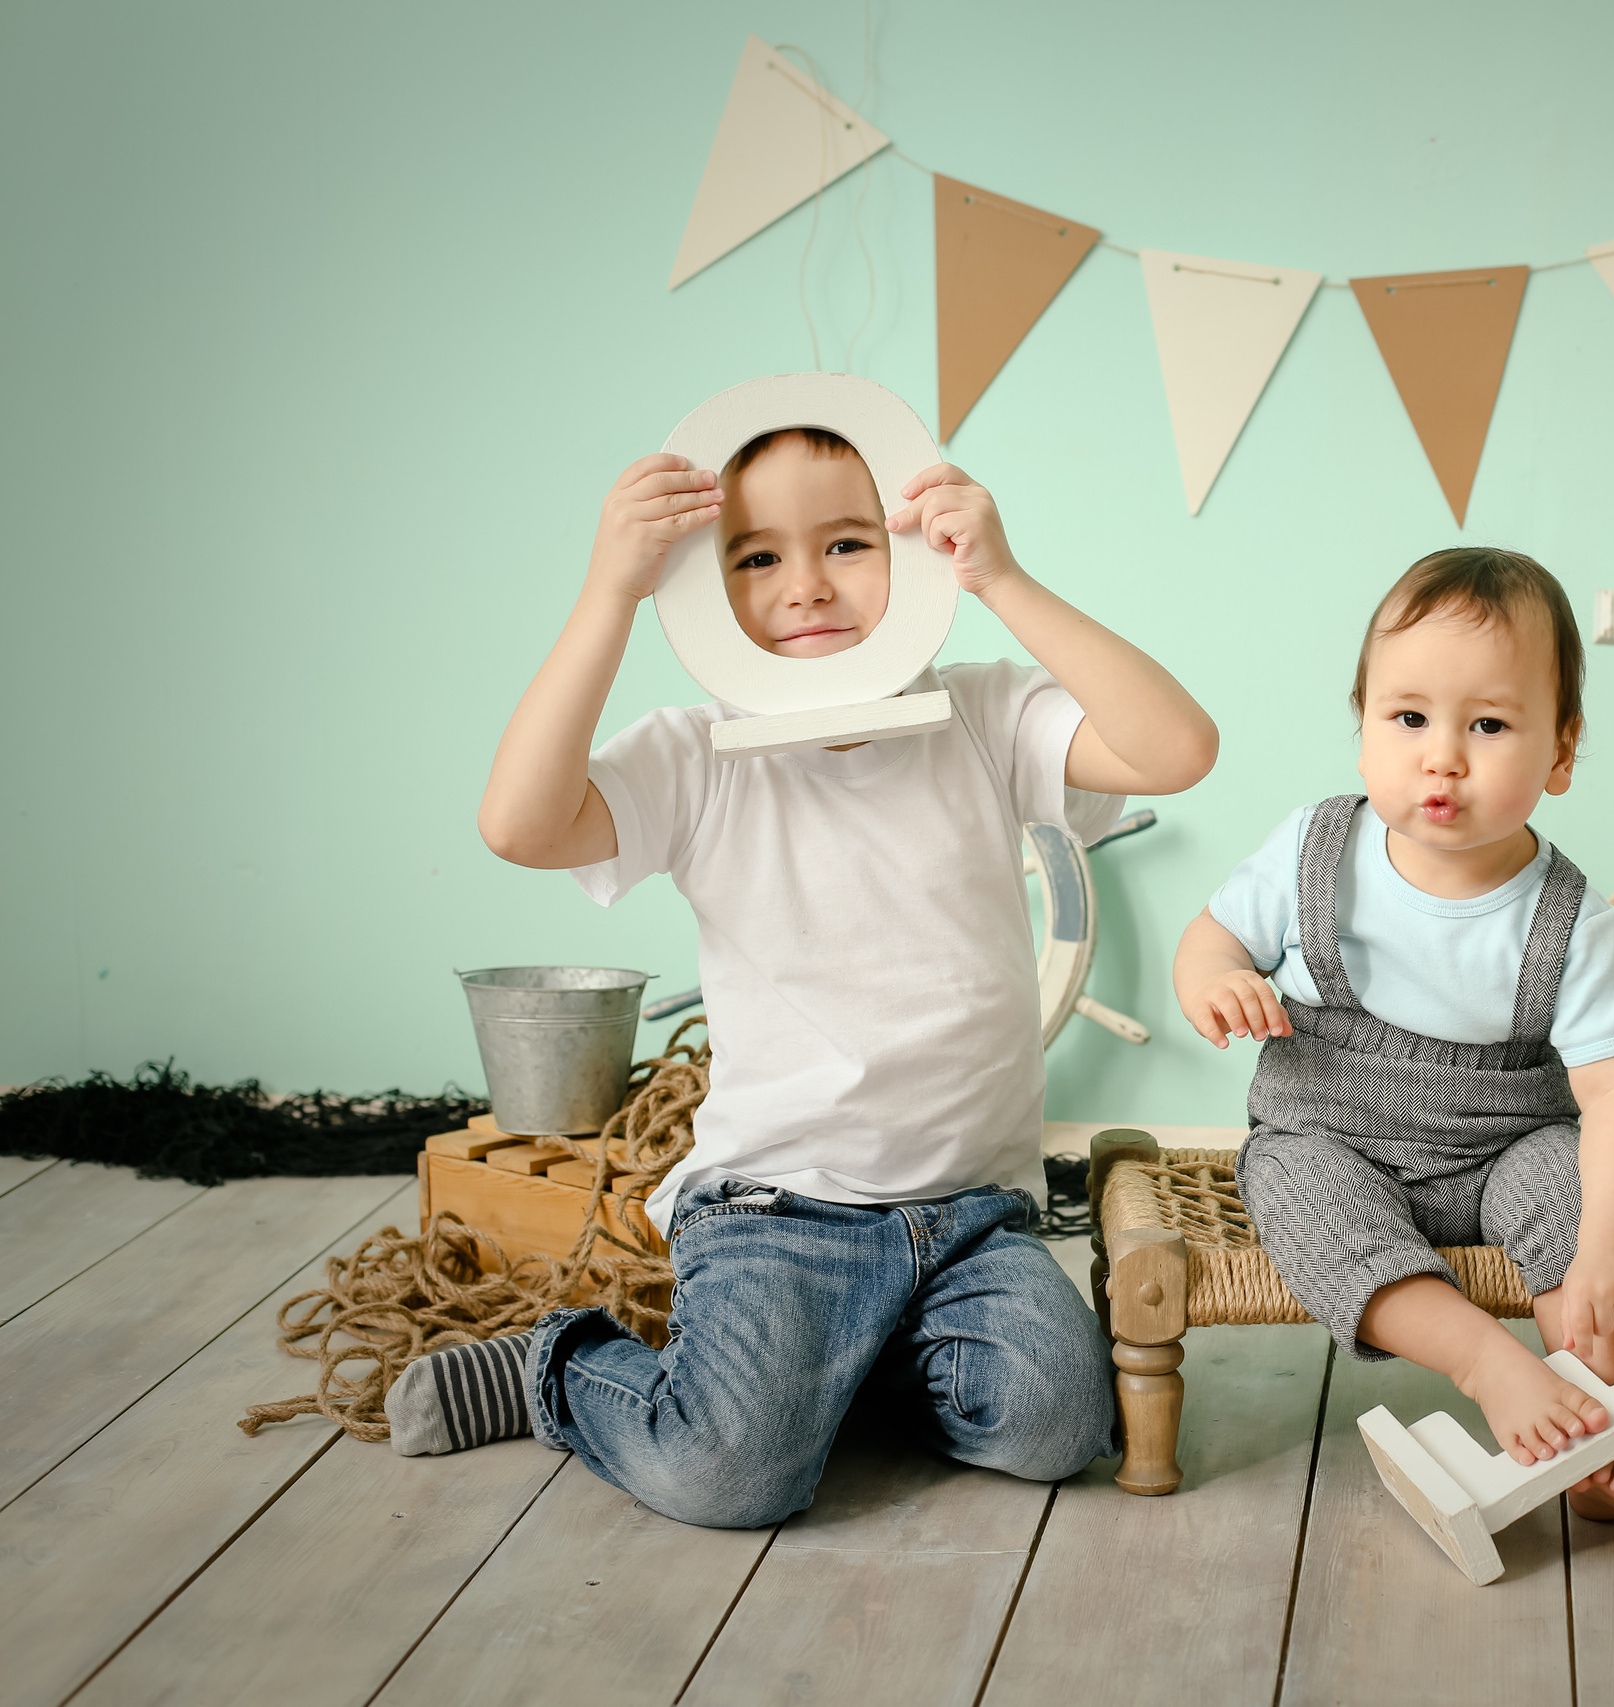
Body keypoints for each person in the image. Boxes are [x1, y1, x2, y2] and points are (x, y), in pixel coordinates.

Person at [387, 423, 1217, 1529]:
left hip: (970, 1213)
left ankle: (819, 1385)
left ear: (913, 552)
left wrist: (1004, 578)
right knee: (725, 1477)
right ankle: (557, 1366)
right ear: (701, 590)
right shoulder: (693, 754)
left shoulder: (983, 712)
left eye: (849, 543)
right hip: (774, 1209)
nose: (808, 587)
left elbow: (1178, 750)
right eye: (756, 557)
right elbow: (521, 825)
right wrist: (608, 595)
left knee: (1056, 1426)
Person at [1174, 547, 1614, 1520]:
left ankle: (1601, 1414)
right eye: (1408, 719)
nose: (1441, 756)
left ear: (1561, 752)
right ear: (1363, 729)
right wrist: (1218, 978)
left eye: (1487, 725)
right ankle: (1490, 1366)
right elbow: (1211, 934)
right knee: (1305, 1202)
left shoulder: (1567, 918)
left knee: (1579, 1208)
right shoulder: (1317, 849)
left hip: (1501, 1148)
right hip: (1332, 1138)